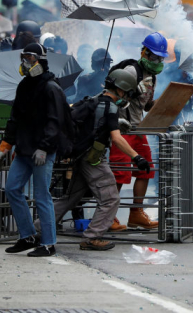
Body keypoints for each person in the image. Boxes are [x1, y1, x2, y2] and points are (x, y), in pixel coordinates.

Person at [50, 69, 150, 250]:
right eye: (127, 93)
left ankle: (37, 229)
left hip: (80, 156)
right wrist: (137, 157)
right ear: (120, 90)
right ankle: (92, 237)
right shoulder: (111, 107)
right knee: (111, 199)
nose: (126, 98)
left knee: (70, 199)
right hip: (93, 158)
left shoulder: (93, 101)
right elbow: (118, 139)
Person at [0, 43, 70, 257]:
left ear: (41, 60)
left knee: (41, 196)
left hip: (42, 152)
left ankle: (48, 243)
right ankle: (27, 236)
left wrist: (44, 148)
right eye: (24, 57)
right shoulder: (24, 85)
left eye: (30, 58)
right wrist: (5, 146)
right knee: (12, 189)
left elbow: (55, 122)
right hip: (24, 150)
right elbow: (15, 118)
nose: (26, 62)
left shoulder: (51, 88)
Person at [107, 32, 168, 231]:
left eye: (161, 58)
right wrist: (129, 94)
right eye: (154, 57)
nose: (158, 61)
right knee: (119, 173)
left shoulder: (153, 77)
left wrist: (163, 101)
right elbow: (112, 96)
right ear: (144, 53)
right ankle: (108, 217)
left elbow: (146, 106)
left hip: (138, 129)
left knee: (146, 169)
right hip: (122, 129)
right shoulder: (131, 71)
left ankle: (136, 213)